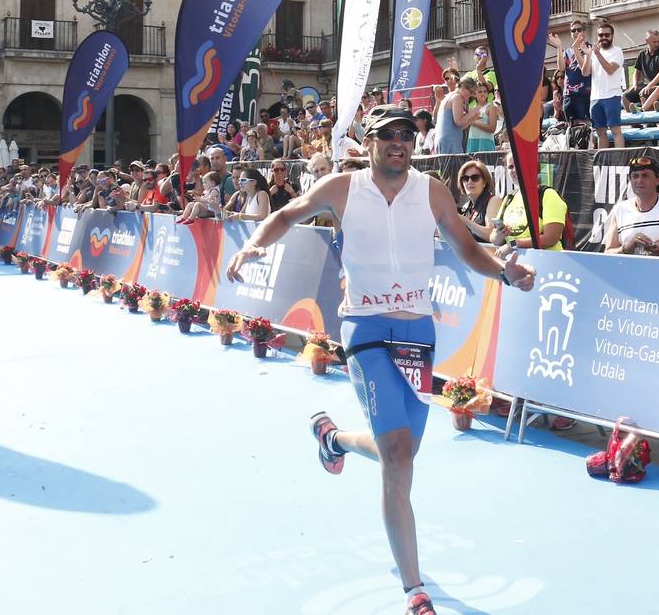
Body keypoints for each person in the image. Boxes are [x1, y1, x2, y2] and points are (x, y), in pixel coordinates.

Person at [225, 106, 534, 615]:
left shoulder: (432, 190)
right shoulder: (342, 188)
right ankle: (415, 589)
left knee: (404, 452)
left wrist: (504, 272)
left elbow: (463, 247)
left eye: (407, 135)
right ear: (368, 142)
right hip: (364, 327)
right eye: (388, 135)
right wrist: (252, 246)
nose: (399, 143)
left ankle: (334, 439)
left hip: (418, 331)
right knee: (396, 455)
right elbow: (287, 214)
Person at [575, 21, 626, 149]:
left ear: (612, 36)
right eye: (600, 35)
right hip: (595, 98)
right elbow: (585, 72)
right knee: (600, 133)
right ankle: (602, 162)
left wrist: (597, 54)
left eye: (606, 35)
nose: (603, 37)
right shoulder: (593, 52)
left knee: (615, 130)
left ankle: (620, 159)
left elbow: (610, 69)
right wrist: (587, 55)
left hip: (612, 96)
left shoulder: (617, 51)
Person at [625, 30, 659, 113]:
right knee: (625, 96)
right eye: (654, 42)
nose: (657, 44)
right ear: (647, 41)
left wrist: (649, 85)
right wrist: (635, 84)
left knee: (644, 93)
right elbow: (637, 71)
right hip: (647, 86)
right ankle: (635, 123)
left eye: (658, 41)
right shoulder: (642, 54)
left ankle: (649, 121)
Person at [433, 77, 480, 155]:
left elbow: (456, 127)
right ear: (463, 87)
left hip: (444, 140)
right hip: (450, 141)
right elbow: (459, 122)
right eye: (471, 92)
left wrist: (471, 120)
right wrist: (472, 112)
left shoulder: (449, 96)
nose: (471, 95)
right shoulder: (457, 97)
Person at [456, 159, 500, 242]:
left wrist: (465, 221)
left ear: (485, 182)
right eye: (465, 178)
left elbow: (491, 235)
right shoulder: (467, 206)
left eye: (475, 178)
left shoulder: (493, 200)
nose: (470, 182)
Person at [465, 81, 500, 154]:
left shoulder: (491, 108)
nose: (483, 94)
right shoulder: (471, 109)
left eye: (485, 91)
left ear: (487, 94)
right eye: (480, 92)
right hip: (472, 141)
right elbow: (468, 127)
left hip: (485, 142)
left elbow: (492, 128)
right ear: (475, 94)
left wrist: (474, 122)